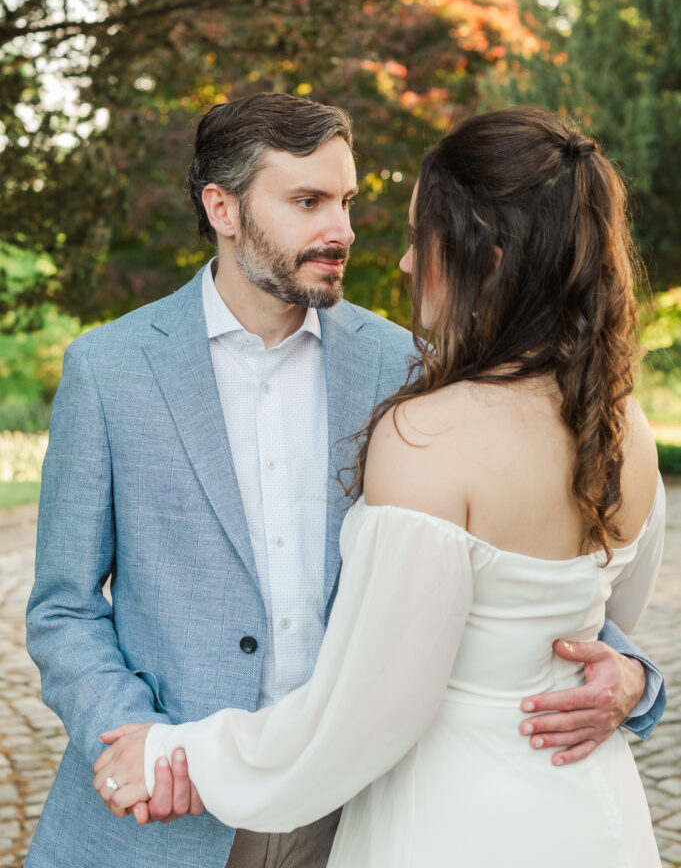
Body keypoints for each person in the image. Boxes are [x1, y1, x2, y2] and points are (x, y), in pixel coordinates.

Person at [27, 95, 662, 868]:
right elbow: (63, 605)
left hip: (351, 814)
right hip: (164, 819)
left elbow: (514, 580)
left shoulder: (414, 375)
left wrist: (632, 674)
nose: (344, 230)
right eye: (307, 202)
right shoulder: (110, 369)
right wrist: (145, 745)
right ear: (221, 208)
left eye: (348, 201)